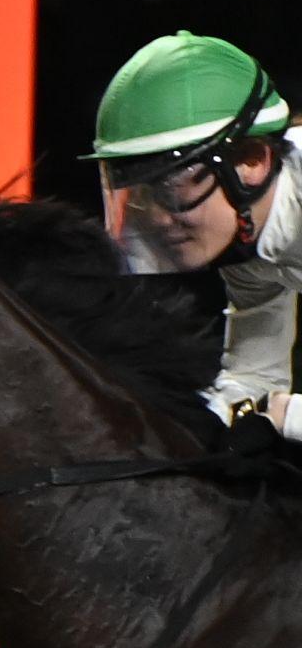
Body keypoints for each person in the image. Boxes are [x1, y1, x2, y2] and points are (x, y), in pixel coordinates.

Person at [89, 30, 299, 424]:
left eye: (170, 187)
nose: (154, 216)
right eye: (143, 194)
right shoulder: (250, 241)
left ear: (253, 161)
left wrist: (285, 417)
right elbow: (255, 379)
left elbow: (274, 408)